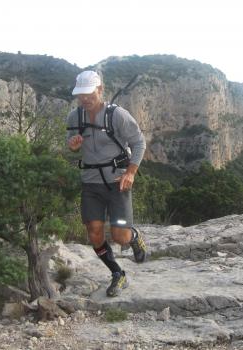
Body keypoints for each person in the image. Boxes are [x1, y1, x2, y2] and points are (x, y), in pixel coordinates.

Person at [66, 70, 148, 297]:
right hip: (91, 183)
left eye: (88, 93)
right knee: (94, 232)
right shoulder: (74, 117)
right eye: (80, 94)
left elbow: (139, 143)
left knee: (119, 236)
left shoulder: (117, 115)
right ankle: (117, 274)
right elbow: (70, 145)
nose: (84, 99)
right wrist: (72, 145)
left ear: (100, 90)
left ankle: (134, 237)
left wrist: (130, 172)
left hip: (116, 182)